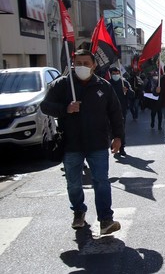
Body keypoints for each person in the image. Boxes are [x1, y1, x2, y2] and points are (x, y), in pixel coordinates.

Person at [40, 49, 123, 235]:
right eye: (78, 63)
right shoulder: (62, 85)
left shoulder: (104, 86)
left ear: (94, 65)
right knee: (74, 183)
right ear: (72, 64)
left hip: (98, 143)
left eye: (86, 63)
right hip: (71, 144)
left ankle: (106, 219)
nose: (82, 67)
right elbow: (45, 106)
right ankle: (79, 211)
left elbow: (115, 113)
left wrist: (118, 137)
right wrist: (65, 109)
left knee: (101, 181)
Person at [108, 67, 134, 156]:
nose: (116, 75)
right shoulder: (107, 84)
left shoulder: (124, 82)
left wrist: (126, 91)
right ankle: (114, 144)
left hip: (121, 110)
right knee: (111, 129)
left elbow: (132, 94)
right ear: (110, 74)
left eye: (117, 73)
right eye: (114, 73)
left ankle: (122, 147)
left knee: (121, 129)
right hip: (109, 110)